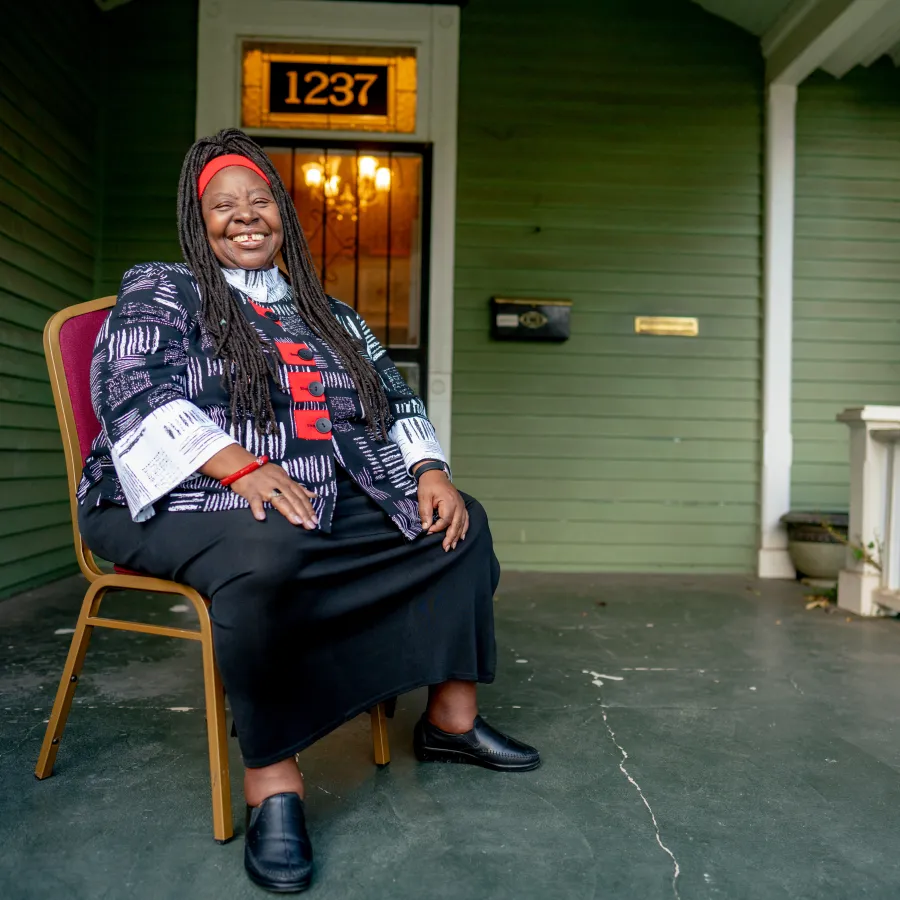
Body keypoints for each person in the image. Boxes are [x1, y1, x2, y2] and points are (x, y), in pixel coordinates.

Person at [77, 128, 540, 893]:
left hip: (308, 485)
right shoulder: (164, 287)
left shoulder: (329, 314)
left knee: (456, 523)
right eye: (223, 205)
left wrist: (428, 469)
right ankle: (273, 781)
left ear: (284, 215)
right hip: (175, 492)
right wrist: (239, 465)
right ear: (198, 220)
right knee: (268, 551)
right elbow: (132, 390)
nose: (245, 215)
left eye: (259, 200)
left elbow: (393, 397)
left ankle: (450, 723)